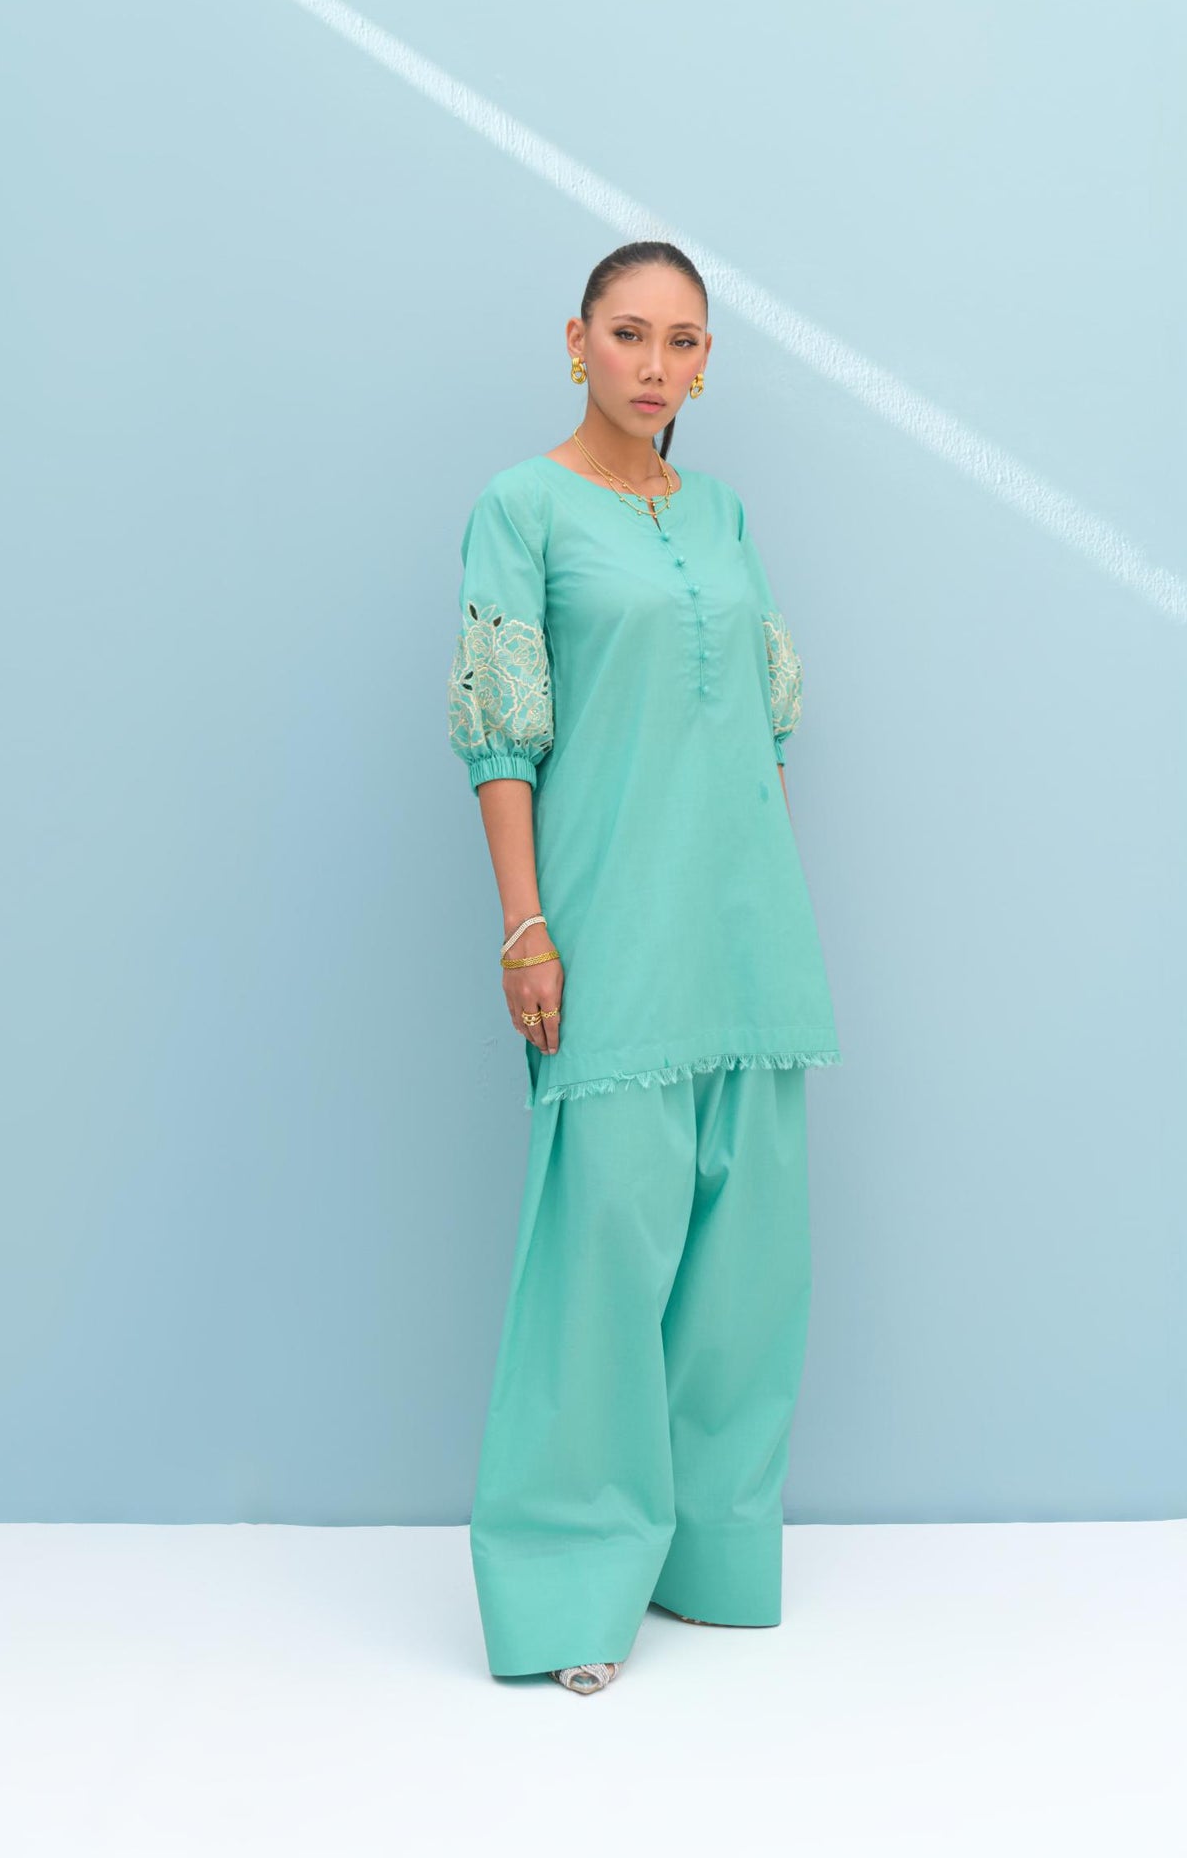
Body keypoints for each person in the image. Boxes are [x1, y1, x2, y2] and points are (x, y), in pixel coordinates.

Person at [446, 241, 842, 1693]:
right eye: (628, 334)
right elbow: (502, 734)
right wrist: (526, 925)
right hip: (610, 926)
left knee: (750, 1269)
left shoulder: (724, 513)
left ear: (706, 361)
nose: (655, 365)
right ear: (577, 343)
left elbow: (764, 727)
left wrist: (771, 904)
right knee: (602, 1257)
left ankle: (713, 1557)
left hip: (749, 933)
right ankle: (565, 1581)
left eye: (682, 341)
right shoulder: (522, 508)